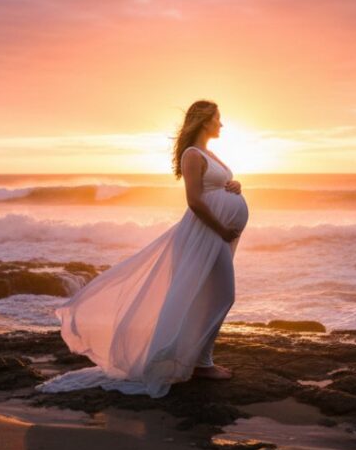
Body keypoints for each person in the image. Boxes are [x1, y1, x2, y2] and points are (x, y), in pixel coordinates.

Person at [36, 100, 249, 398]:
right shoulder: (192, 154)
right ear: (204, 121)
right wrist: (222, 229)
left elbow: (215, 187)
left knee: (212, 295)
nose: (221, 124)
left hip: (214, 235)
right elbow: (195, 201)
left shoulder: (210, 154)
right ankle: (200, 363)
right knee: (221, 295)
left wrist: (234, 185)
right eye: (218, 119)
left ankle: (197, 359)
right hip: (205, 233)